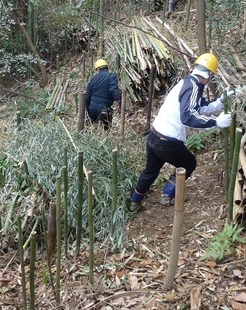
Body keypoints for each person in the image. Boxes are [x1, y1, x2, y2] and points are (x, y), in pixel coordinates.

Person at [128, 53, 233, 212]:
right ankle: (167, 196)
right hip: (168, 141)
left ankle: (134, 203)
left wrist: (219, 103)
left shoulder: (188, 83)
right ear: (209, 75)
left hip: (154, 135)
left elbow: (198, 107)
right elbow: (188, 116)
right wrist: (216, 122)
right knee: (189, 163)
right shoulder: (193, 87)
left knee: (150, 171)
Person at [86, 59, 121, 131]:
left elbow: (87, 97)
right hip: (104, 108)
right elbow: (113, 90)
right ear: (107, 68)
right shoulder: (111, 76)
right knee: (107, 130)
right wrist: (120, 102)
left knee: (92, 130)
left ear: (97, 69)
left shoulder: (92, 79)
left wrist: (87, 110)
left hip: (92, 108)